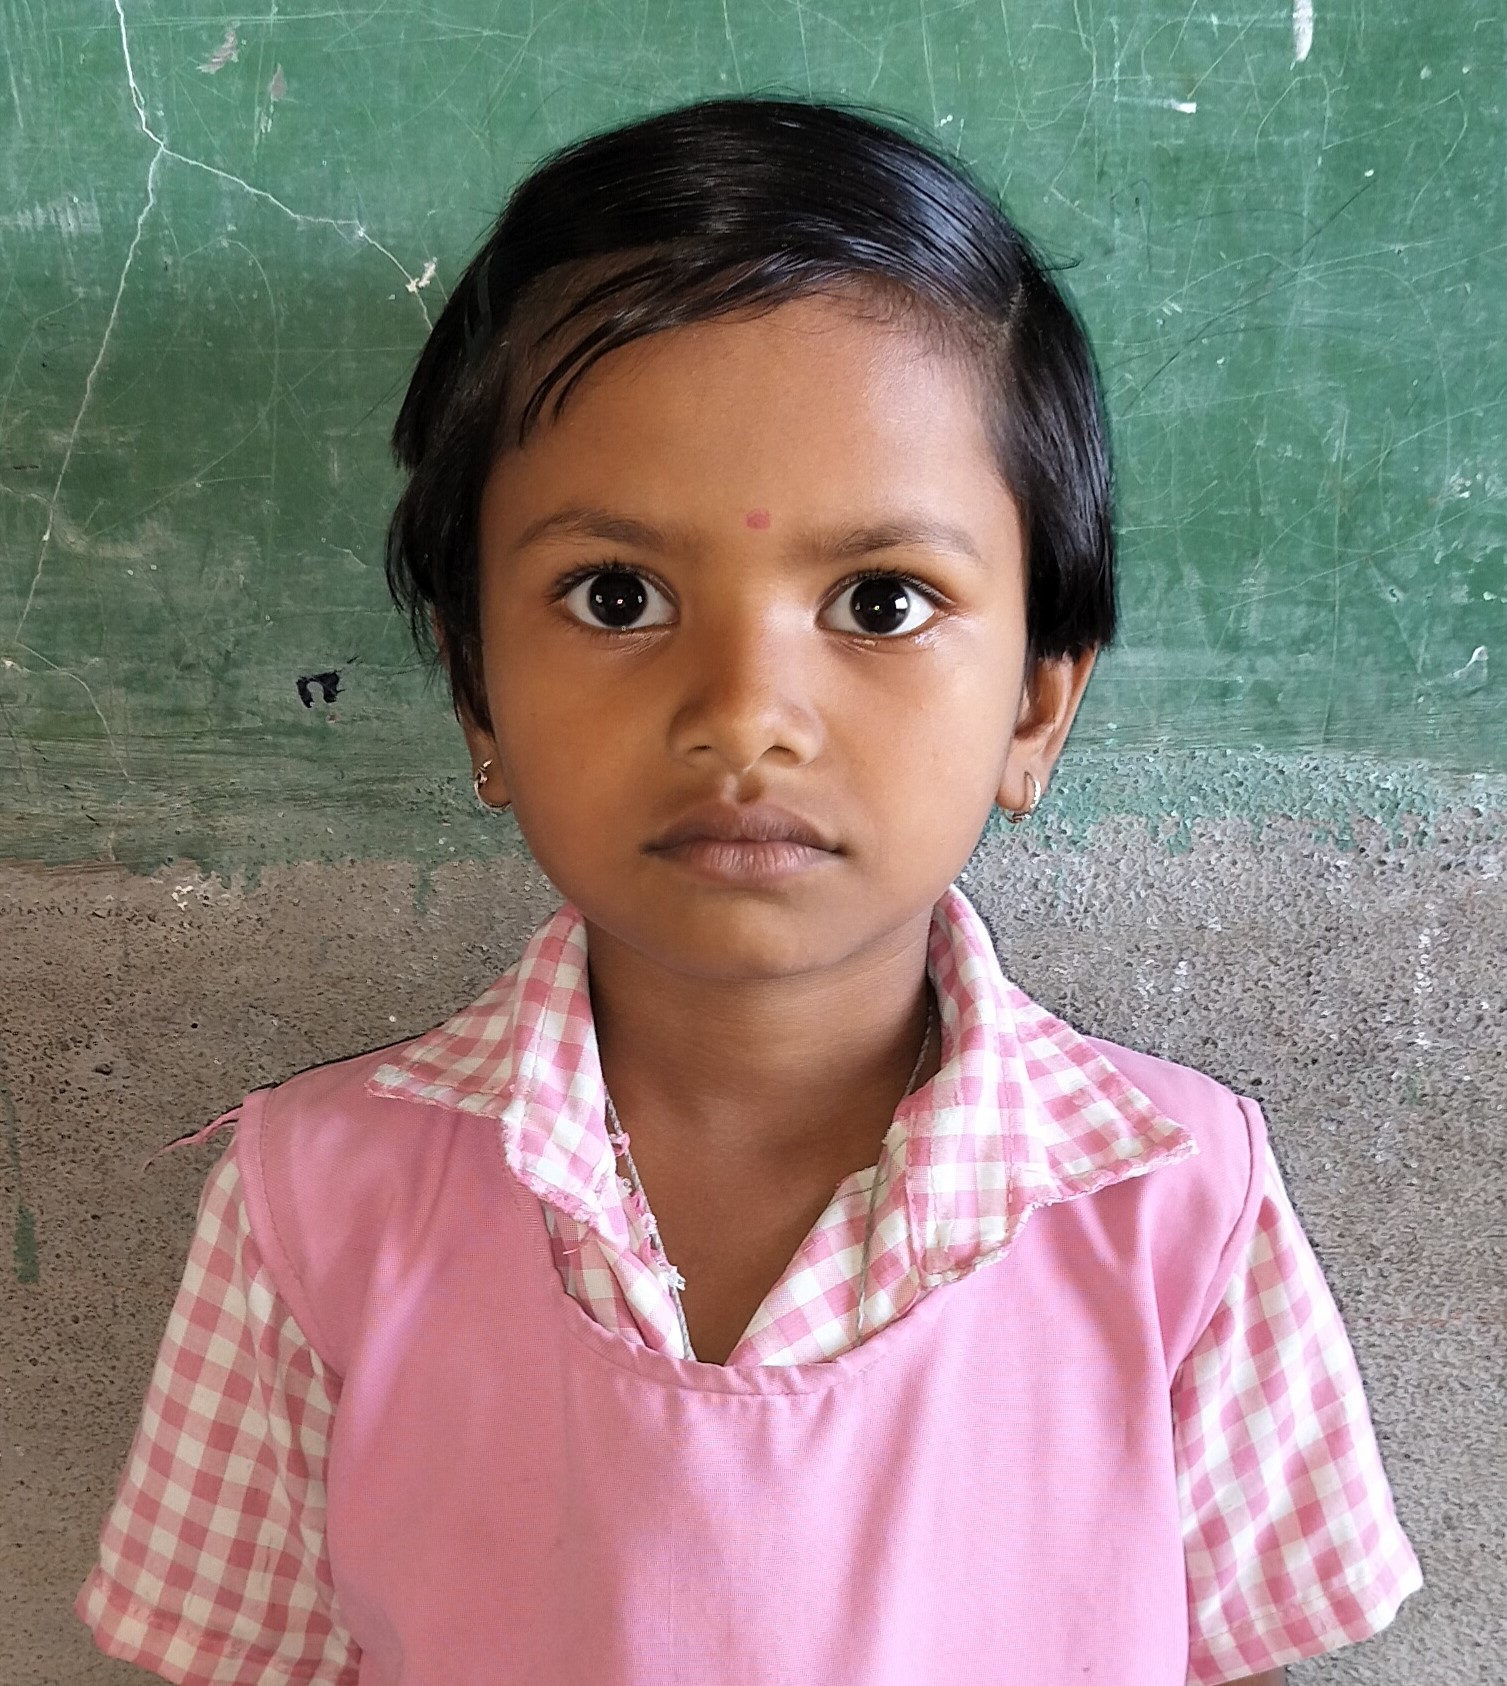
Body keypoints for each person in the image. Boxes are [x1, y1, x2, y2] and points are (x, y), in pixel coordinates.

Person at [75, 97, 1422, 1685]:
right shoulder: (321, 1204)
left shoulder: (1175, 1209)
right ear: (477, 693)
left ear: (1039, 705)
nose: (745, 713)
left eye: (881, 600)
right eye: (617, 595)